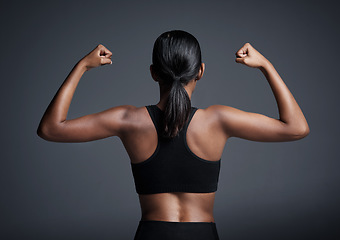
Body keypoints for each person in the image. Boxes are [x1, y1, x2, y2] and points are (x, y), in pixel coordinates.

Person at [37, 30, 310, 240]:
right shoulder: (218, 120)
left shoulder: (128, 119)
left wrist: (82, 66)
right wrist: (265, 65)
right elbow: (296, 128)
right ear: (200, 71)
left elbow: (50, 129)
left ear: (154, 73)